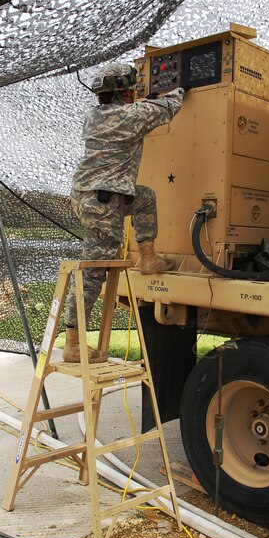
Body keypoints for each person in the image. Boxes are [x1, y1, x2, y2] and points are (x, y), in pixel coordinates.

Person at [62, 62, 185, 362]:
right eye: (132, 89)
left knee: (145, 198)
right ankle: (73, 342)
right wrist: (179, 88)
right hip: (102, 203)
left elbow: (138, 111)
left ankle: (149, 258)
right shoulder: (132, 115)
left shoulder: (94, 116)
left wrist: (143, 98)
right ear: (127, 93)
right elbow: (171, 105)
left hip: (98, 196)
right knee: (93, 274)